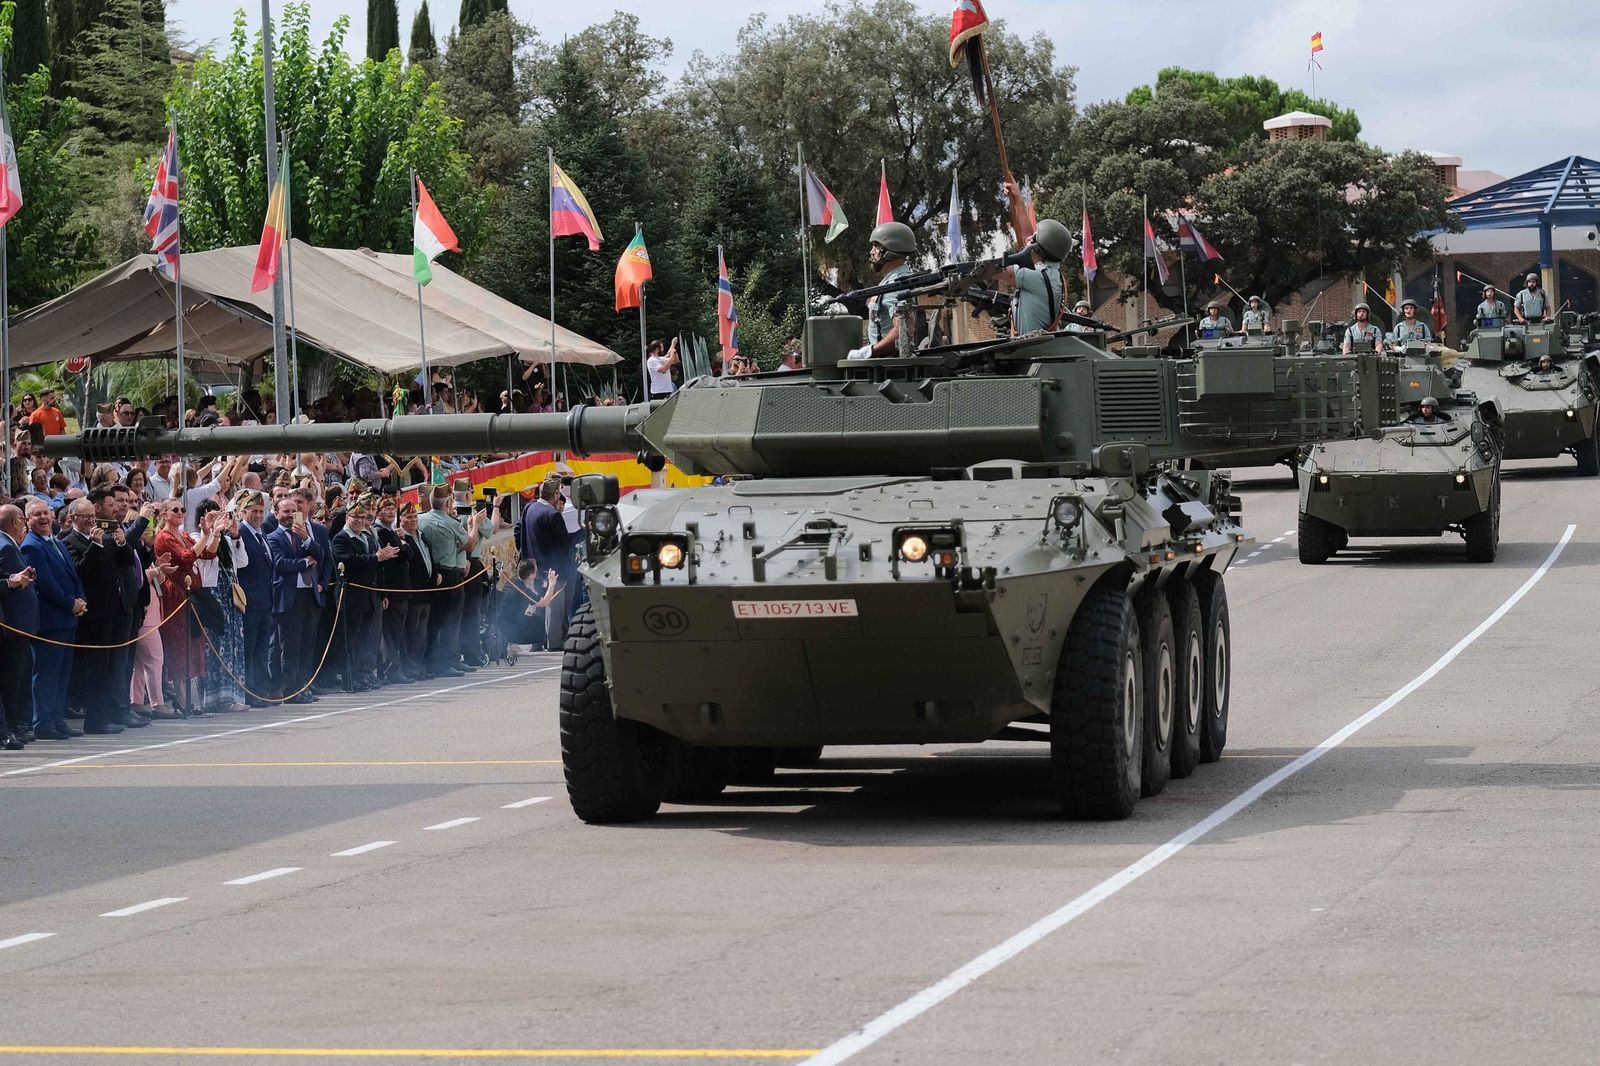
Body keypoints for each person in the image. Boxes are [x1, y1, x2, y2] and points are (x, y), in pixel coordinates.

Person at [61, 497, 134, 734]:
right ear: (73, 519)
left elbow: (123, 564)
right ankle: (95, 718)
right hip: (92, 615)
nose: (91, 520)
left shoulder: (105, 536)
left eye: (93, 516)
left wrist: (122, 543)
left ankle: (106, 714)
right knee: (96, 668)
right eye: (86, 517)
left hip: (113, 611)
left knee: (110, 666)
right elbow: (80, 570)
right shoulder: (69, 541)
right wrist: (94, 545)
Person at [22, 498, 87, 739]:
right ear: (28, 520)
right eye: (36, 514)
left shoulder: (55, 541)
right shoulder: (32, 546)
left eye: (45, 513)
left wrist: (80, 600)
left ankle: (57, 719)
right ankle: (43, 722)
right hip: (50, 621)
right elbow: (46, 584)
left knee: (62, 675)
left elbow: (73, 576)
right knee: (47, 675)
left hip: (67, 619)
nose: (42, 517)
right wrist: (70, 603)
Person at [417, 484, 480, 677]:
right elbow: (469, 544)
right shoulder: (451, 523)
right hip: (449, 574)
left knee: (434, 621)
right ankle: (446, 661)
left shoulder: (420, 519)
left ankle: (437, 661)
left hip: (432, 573)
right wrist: (474, 524)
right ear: (447, 503)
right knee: (450, 621)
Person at [192, 500, 248, 713]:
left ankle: (232, 695)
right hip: (212, 594)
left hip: (230, 593)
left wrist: (234, 536)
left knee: (233, 645)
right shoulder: (197, 537)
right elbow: (206, 558)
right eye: (213, 514)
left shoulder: (224, 537)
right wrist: (213, 532)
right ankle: (214, 698)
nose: (219, 518)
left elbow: (243, 562)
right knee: (215, 646)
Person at [266, 494, 322, 703]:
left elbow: (321, 554)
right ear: (277, 514)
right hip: (288, 597)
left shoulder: (302, 533)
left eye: (293, 511)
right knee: (290, 646)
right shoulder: (273, 537)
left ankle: (304, 686)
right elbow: (280, 563)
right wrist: (305, 562)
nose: (290, 515)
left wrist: (307, 538)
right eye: (286, 511)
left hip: (309, 594)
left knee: (307, 645)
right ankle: (291, 690)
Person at [153, 498, 205, 715]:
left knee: (191, 643)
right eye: (175, 509)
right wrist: (207, 537)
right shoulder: (163, 537)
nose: (180, 512)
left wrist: (212, 532)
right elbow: (187, 557)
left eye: (182, 509)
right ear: (164, 514)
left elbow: (207, 553)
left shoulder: (183, 536)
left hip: (190, 592)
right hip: (174, 593)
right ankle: (182, 699)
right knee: (177, 644)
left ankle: (190, 698)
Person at [847, 222, 919, 360]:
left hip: (889, 366)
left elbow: (903, 330)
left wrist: (870, 352)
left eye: (876, 246)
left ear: (890, 249)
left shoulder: (897, 284)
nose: (871, 252)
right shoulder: (892, 281)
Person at [519, 479, 576, 651]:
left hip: (534, 567)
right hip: (554, 569)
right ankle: (554, 644)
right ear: (555, 495)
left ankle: (536, 643)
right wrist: (583, 532)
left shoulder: (529, 508)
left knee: (538, 605)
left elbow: (520, 532)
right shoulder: (552, 515)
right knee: (554, 607)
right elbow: (565, 543)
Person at [0, 504, 39, 749]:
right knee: (11, 680)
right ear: (16, 522)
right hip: (13, 626)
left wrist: (15, 578)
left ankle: (12, 726)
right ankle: (9, 728)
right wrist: (10, 582)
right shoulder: (5, 546)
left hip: (15, 626)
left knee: (16, 679)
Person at [232, 489, 275, 703]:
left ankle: (260, 688)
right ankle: (249, 691)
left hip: (265, 601)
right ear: (243, 512)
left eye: (261, 511)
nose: (258, 515)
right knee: (249, 650)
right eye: (253, 511)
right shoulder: (241, 533)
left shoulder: (262, 533)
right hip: (249, 601)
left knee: (261, 649)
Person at [1009, 218, 1070, 336]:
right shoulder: (1051, 273)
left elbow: (1006, 272)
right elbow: (1027, 237)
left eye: (1033, 239)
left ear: (1036, 246)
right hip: (1035, 348)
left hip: (1029, 350)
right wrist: (1019, 202)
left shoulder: (1037, 275)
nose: (1028, 240)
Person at [397, 500, 435, 675]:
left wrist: (435, 574)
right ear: (401, 519)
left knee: (422, 633)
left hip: (426, 590)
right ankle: (411, 667)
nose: (413, 520)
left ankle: (420, 666)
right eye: (408, 517)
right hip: (413, 591)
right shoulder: (403, 538)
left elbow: (429, 558)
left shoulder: (421, 535)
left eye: (414, 516)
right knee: (411, 632)